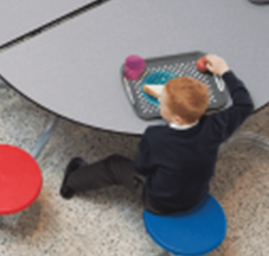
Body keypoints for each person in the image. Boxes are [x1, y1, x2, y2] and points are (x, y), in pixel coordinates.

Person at [60, 55, 253, 214]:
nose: (160, 102)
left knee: (114, 164)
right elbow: (245, 104)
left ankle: (70, 184)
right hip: (197, 195)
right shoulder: (216, 126)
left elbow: (142, 167)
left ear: (177, 118)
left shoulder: (156, 137)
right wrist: (225, 71)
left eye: (162, 102)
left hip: (160, 202)